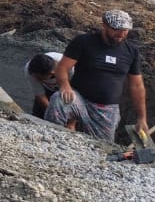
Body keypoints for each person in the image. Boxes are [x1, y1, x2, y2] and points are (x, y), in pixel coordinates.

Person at [43, 9, 148, 142]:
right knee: (59, 99)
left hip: (107, 109)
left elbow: (137, 86)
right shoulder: (84, 42)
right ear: (104, 25)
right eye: (116, 29)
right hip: (79, 99)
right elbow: (62, 67)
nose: (121, 34)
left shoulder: (131, 51)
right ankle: (50, 138)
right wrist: (64, 85)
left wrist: (141, 118)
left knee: (102, 146)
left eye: (125, 30)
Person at [24, 50, 63, 117]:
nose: (38, 80)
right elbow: (40, 95)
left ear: (52, 73)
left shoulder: (70, 67)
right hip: (48, 89)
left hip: (70, 88)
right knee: (39, 114)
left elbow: (78, 95)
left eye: (41, 79)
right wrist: (52, 113)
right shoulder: (30, 70)